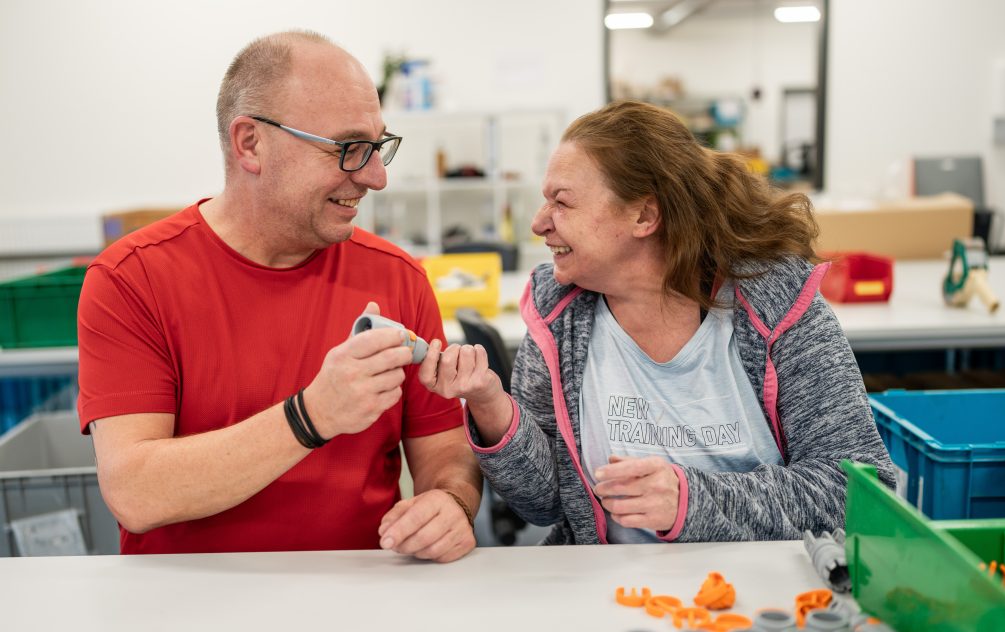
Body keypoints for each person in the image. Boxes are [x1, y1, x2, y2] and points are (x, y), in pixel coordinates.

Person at [77, 30, 481, 562]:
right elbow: (134, 493)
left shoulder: (397, 277)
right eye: (349, 149)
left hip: (362, 600)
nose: (377, 177)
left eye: (378, 147)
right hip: (182, 611)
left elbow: (445, 450)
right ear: (250, 144)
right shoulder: (131, 280)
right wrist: (312, 415)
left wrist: (450, 501)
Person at [418, 100, 895, 544]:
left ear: (645, 215)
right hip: (604, 591)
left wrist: (691, 502)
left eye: (562, 202)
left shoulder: (777, 307)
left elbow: (860, 492)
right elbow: (541, 505)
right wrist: (490, 404)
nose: (539, 223)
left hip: (758, 597)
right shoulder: (558, 312)